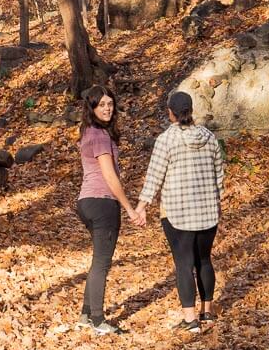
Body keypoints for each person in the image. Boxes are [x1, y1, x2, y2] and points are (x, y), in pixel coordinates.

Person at [135, 91, 225, 333]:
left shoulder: (166, 140)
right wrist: (216, 201)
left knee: (184, 264)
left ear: (171, 113)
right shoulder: (210, 137)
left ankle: (190, 320)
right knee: (204, 260)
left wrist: (141, 206)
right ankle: (207, 312)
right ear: (191, 111)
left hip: (178, 214)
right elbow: (219, 177)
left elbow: (154, 177)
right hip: (207, 214)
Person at [75, 84, 144, 335]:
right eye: (101, 104)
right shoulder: (100, 136)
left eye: (110, 104)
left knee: (97, 262)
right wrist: (129, 208)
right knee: (102, 263)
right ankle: (97, 319)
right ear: (92, 108)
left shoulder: (90, 132)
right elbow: (110, 176)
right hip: (102, 202)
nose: (107, 108)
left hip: (87, 201)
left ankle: (85, 313)